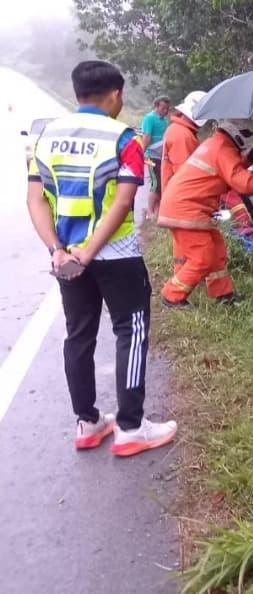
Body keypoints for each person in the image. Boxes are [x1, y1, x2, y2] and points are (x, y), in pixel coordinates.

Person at [25, 60, 177, 456]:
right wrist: (92, 251)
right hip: (117, 254)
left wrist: (59, 251)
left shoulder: (44, 137)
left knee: (79, 335)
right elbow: (125, 200)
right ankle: (130, 427)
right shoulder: (123, 138)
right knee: (131, 329)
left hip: (67, 258)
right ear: (114, 95)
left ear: (77, 94)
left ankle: (88, 422)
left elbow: (35, 199)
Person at [157, 119, 253, 307]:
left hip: (187, 207)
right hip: (186, 209)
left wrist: (247, 160)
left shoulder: (218, 144)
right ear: (240, 136)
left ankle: (222, 293)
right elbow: (245, 183)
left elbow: (227, 172)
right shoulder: (223, 149)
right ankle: (171, 295)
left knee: (217, 249)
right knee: (202, 256)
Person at [161, 90, 208, 194]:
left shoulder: (177, 129)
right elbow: (185, 175)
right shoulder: (183, 135)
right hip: (181, 197)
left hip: (174, 194)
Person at [140, 96, 171, 218]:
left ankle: (157, 211)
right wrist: (141, 154)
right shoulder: (149, 118)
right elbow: (146, 137)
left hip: (161, 155)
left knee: (162, 182)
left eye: (167, 109)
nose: (165, 111)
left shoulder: (164, 121)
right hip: (150, 156)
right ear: (156, 106)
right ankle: (149, 211)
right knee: (155, 183)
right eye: (163, 108)